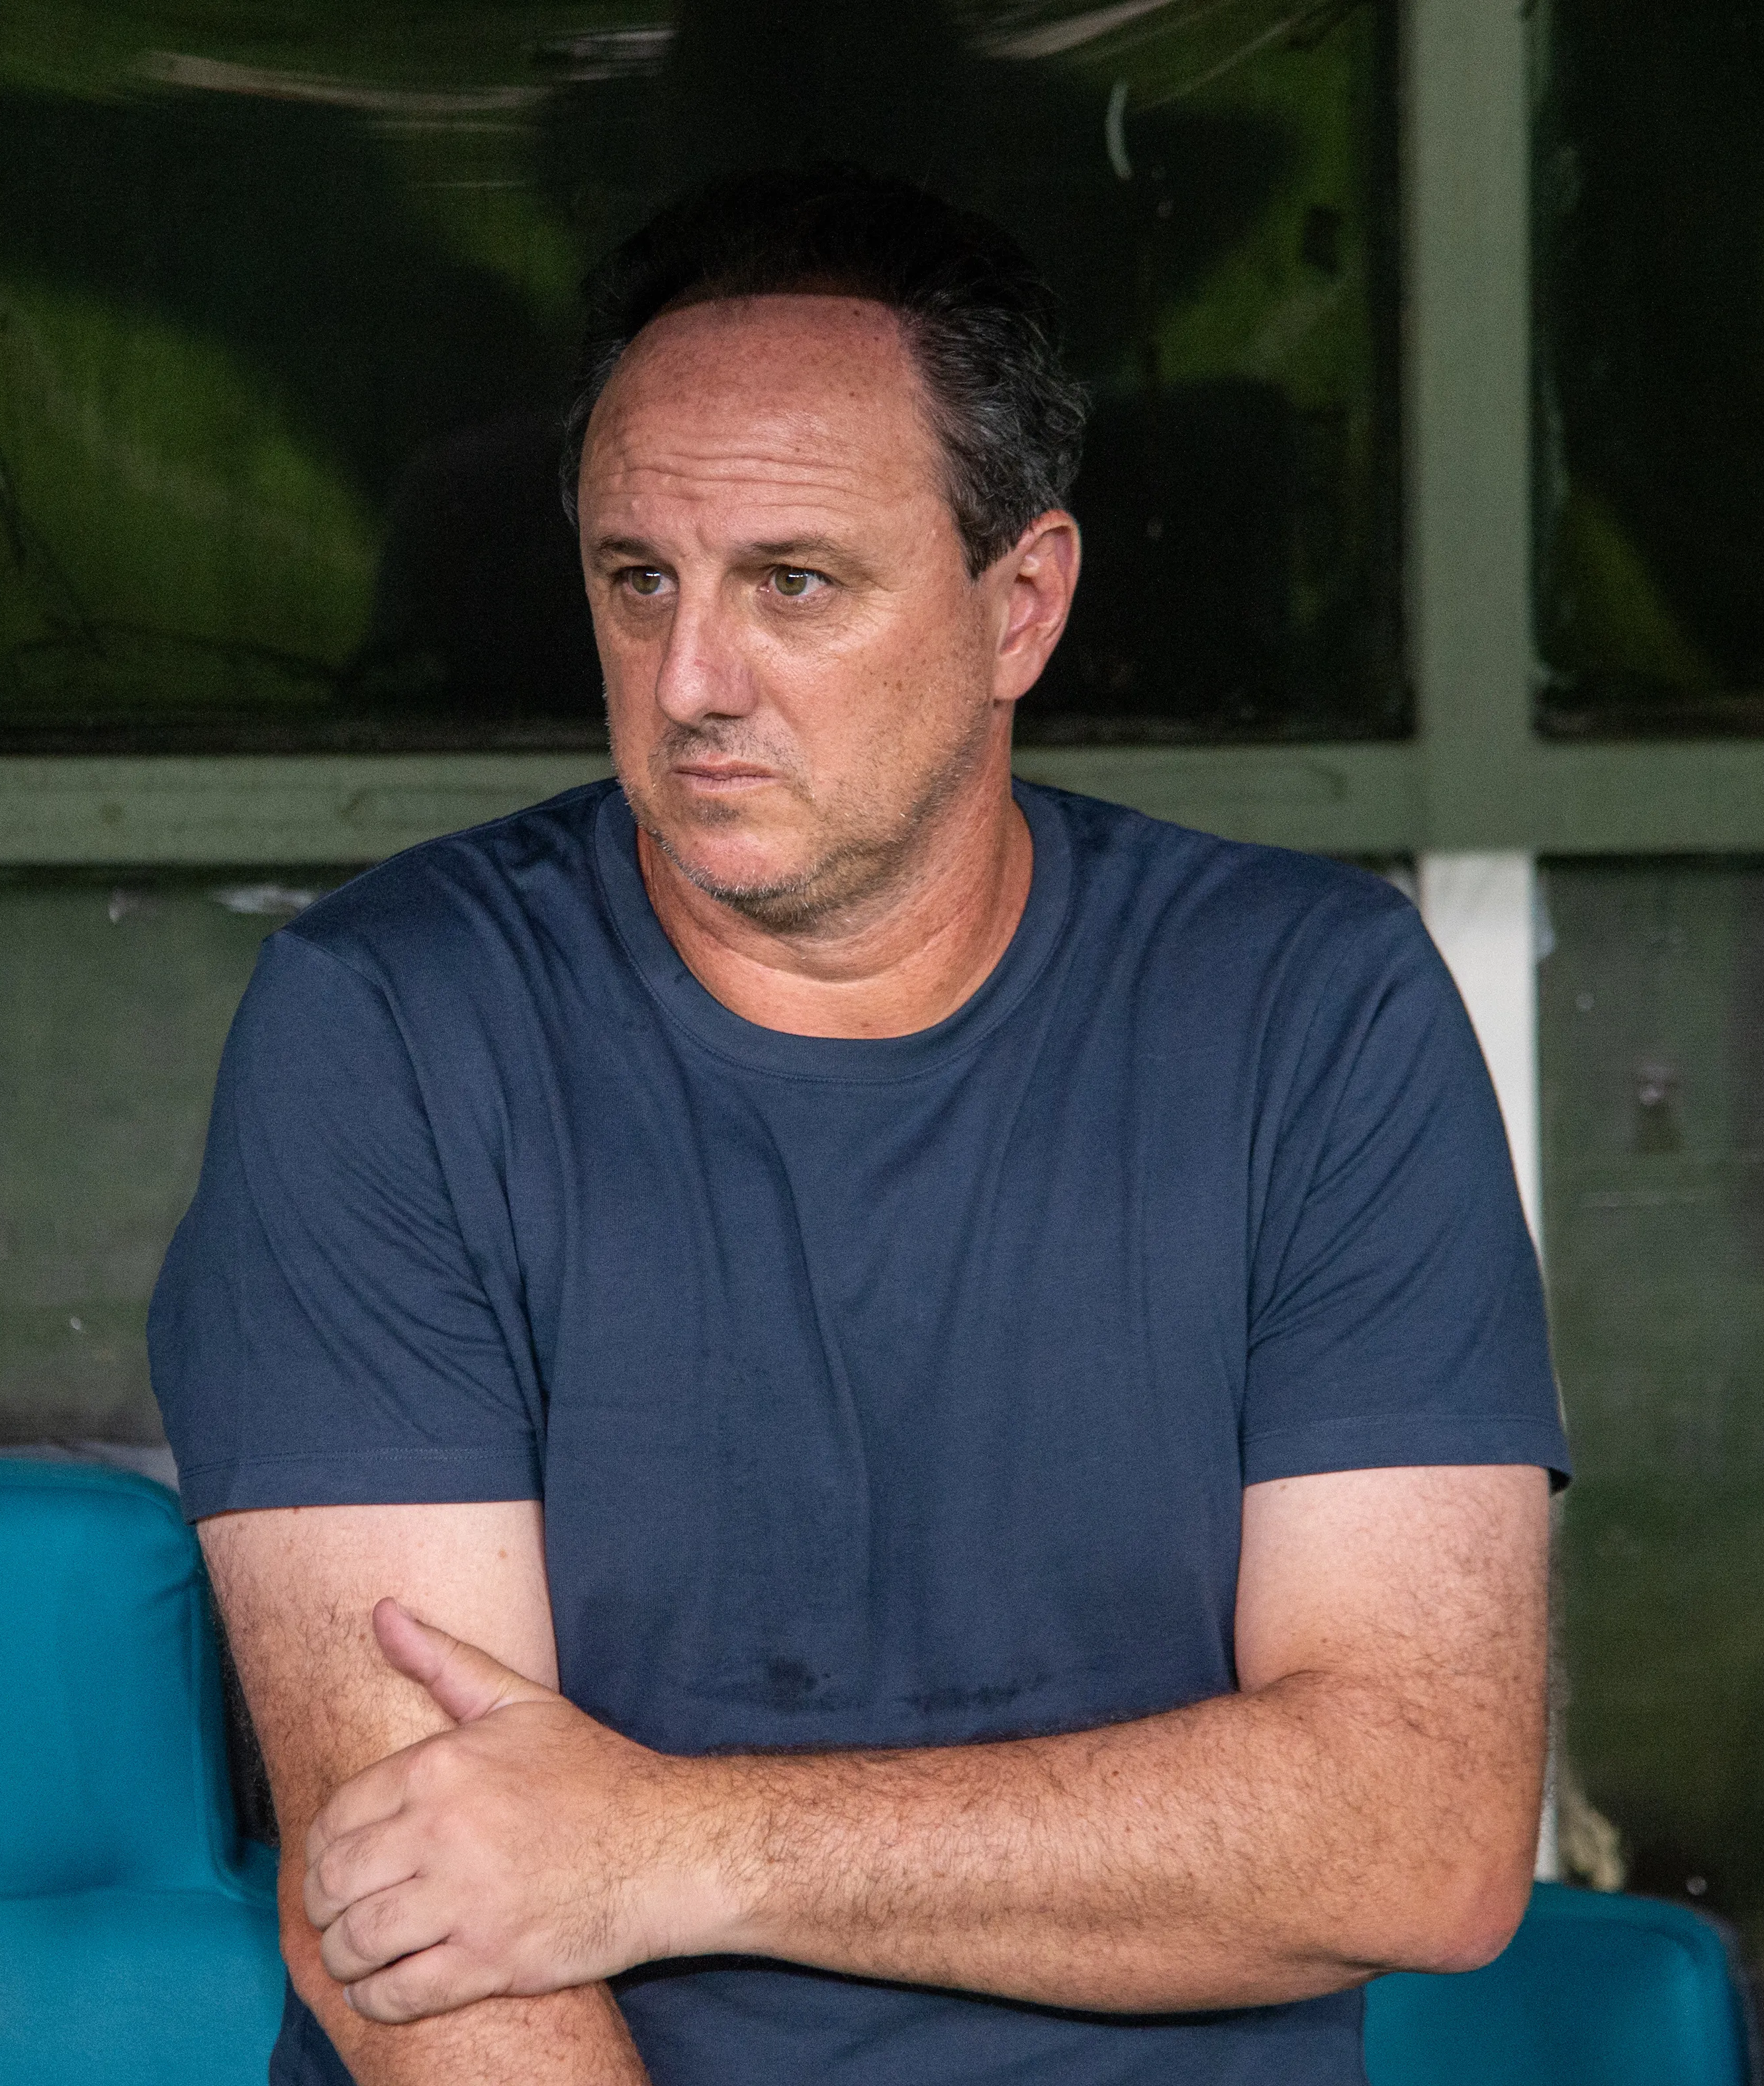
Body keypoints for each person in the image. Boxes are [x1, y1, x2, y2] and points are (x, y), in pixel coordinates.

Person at [149, 165, 1565, 2085]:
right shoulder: (392, 1024)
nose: (691, 684)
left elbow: (1417, 1831)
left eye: (793, 585)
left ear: (1021, 606)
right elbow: (433, 1939)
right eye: (637, 580)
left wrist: (670, 1846)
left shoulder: (1310, 1012)